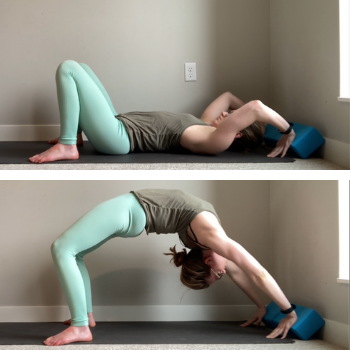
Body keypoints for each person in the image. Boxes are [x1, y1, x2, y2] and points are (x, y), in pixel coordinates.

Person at [44, 189, 298, 346]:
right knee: (71, 252)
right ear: (209, 262)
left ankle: (80, 327)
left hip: (129, 211)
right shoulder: (215, 239)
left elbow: (238, 272)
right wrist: (289, 311)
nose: (225, 272)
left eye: (219, 275)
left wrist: (260, 306)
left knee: (62, 249)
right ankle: (84, 317)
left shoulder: (212, 242)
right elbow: (257, 272)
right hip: (131, 212)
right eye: (219, 276)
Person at [29, 60, 295, 163]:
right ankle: (73, 136)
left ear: (235, 134)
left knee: (69, 69)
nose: (227, 114)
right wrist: (248, 122)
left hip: (120, 137)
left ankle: (67, 147)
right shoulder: (203, 124)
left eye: (232, 120)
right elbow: (227, 97)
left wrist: (287, 131)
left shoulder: (213, 141)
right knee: (82, 68)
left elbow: (256, 107)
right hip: (117, 123)